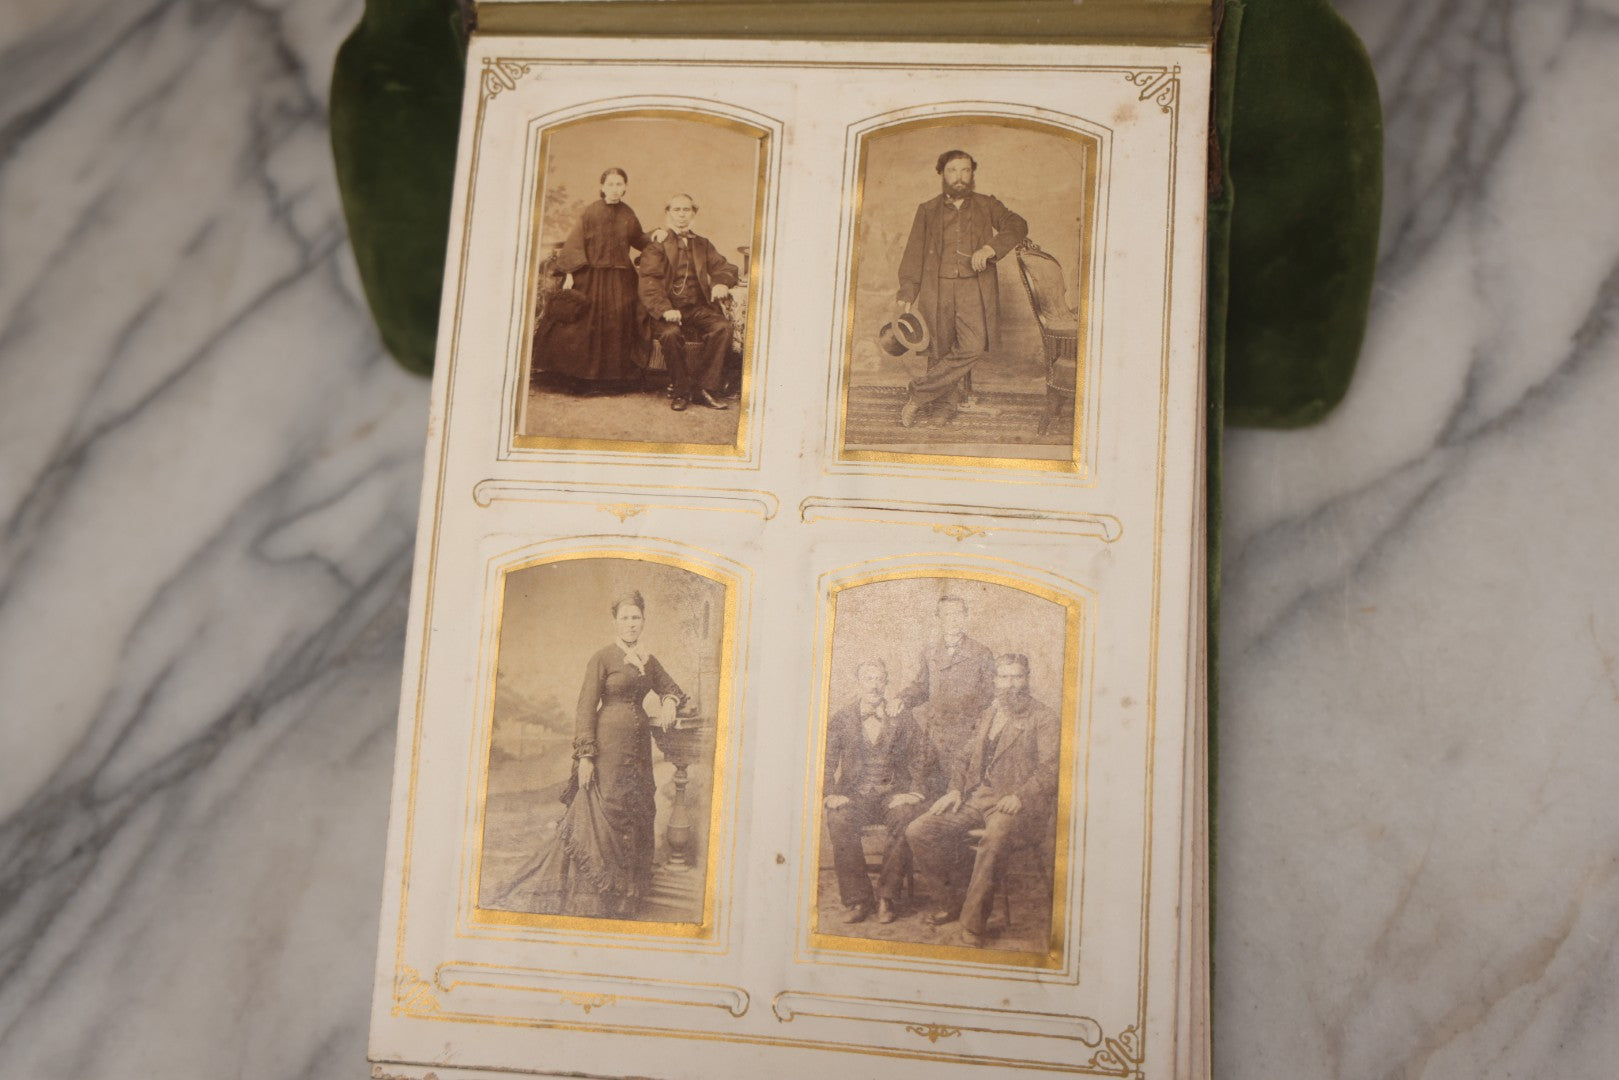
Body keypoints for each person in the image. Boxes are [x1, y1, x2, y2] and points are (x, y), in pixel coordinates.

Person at [905, 654, 1060, 947]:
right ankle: (951, 902)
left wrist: (1020, 795)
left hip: (1019, 807)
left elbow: (1051, 769)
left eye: (1017, 677)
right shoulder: (989, 714)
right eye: (1004, 677)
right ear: (995, 681)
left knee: (994, 837)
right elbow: (964, 757)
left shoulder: (1044, 717)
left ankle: (974, 925)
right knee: (919, 830)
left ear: (1027, 678)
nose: (1010, 685)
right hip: (979, 798)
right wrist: (954, 790)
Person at [568, 590, 691, 917]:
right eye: (624, 618)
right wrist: (585, 756)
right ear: (615, 621)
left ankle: (630, 895)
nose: (631, 624)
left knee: (637, 810)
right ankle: (604, 894)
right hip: (608, 747)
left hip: (638, 750)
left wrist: (668, 701)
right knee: (611, 807)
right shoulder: (603, 658)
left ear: (643, 620)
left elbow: (672, 688)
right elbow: (584, 708)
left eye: (636, 617)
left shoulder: (648, 660)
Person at [895, 150, 1028, 427]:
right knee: (938, 347)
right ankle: (941, 407)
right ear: (942, 174)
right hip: (937, 289)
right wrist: (907, 294)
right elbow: (913, 254)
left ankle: (918, 393)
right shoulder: (927, 210)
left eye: (966, 170)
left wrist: (991, 247)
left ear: (972, 174)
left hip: (974, 289)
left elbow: (1018, 225)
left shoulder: (986, 204)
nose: (960, 177)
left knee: (973, 346)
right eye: (953, 170)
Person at [821, 659, 933, 925]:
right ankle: (859, 899)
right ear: (858, 683)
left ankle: (887, 897)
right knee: (838, 817)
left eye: (879, 679)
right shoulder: (842, 718)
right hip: (855, 795)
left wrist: (914, 792)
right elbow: (825, 760)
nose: (874, 685)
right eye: (868, 679)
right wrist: (829, 793)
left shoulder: (901, 717)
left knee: (906, 814)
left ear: (886, 684)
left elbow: (922, 755)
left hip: (892, 794)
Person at [544, 167, 661, 387]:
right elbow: (574, 244)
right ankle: (580, 378)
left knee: (617, 326)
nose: (615, 189)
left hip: (621, 279)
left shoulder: (628, 213)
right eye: (610, 184)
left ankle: (613, 379)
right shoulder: (591, 212)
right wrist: (569, 274)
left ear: (625, 187)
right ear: (602, 187)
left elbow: (639, 240)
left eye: (619, 184)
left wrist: (654, 234)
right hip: (591, 276)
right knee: (584, 326)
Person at [638, 193, 741, 412]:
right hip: (665, 309)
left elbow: (726, 268)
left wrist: (721, 282)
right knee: (670, 334)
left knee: (722, 327)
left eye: (686, 210)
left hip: (696, 308)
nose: (682, 215)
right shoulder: (657, 245)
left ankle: (705, 387)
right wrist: (665, 309)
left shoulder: (702, 244)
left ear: (693, 214)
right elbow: (649, 282)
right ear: (668, 213)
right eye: (677, 210)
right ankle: (681, 390)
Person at [895, 594, 996, 791]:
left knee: (962, 788)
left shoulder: (981, 652)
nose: (953, 619)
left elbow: (990, 695)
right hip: (936, 735)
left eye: (958, 614)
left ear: (965, 616)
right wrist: (901, 699)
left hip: (968, 733)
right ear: (939, 618)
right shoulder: (930, 652)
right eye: (947, 615)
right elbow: (922, 687)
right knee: (934, 787)